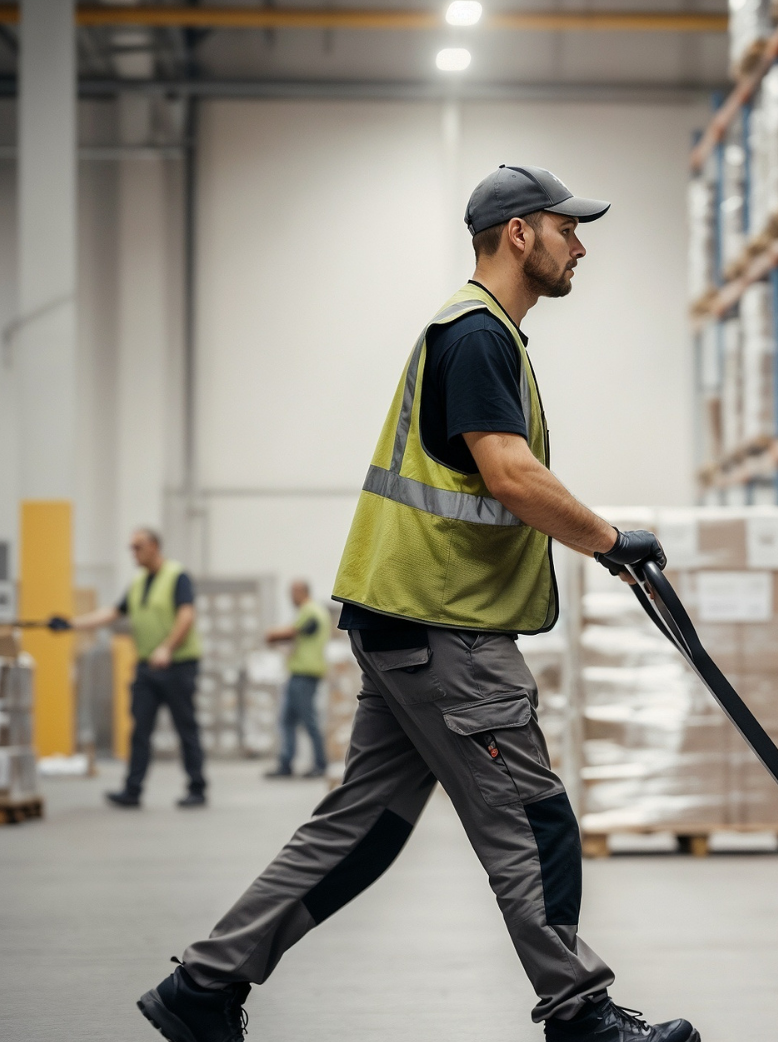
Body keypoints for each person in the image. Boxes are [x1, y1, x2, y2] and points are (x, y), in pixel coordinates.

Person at [133, 164, 694, 1042]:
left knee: (365, 827)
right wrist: (608, 540)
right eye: (566, 229)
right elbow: (510, 474)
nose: (579, 245)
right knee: (532, 818)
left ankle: (203, 988)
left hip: (402, 622)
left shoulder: (476, 333)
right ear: (519, 235)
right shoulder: (477, 335)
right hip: (445, 629)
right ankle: (581, 1012)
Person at [65, 528, 207, 809]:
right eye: (131, 547)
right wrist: (72, 624)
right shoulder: (138, 582)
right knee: (140, 729)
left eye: (138, 547)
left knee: (185, 727)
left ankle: (197, 788)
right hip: (147, 667)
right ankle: (132, 790)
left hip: (178, 665)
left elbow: (186, 615)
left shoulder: (177, 576)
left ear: (154, 546)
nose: (133, 553)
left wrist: (167, 648)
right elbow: (113, 612)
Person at [262, 580, 330, 780]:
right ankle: (286, 763)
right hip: (298, 674)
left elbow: (292, 632)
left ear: (301, 592)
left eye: (292, 593)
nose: (290, 598)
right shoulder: (312, 611)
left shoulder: (311, 611)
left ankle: (320, 764)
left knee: (308, 720)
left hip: (305, 674)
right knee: (287, 720)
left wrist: (272, 634)